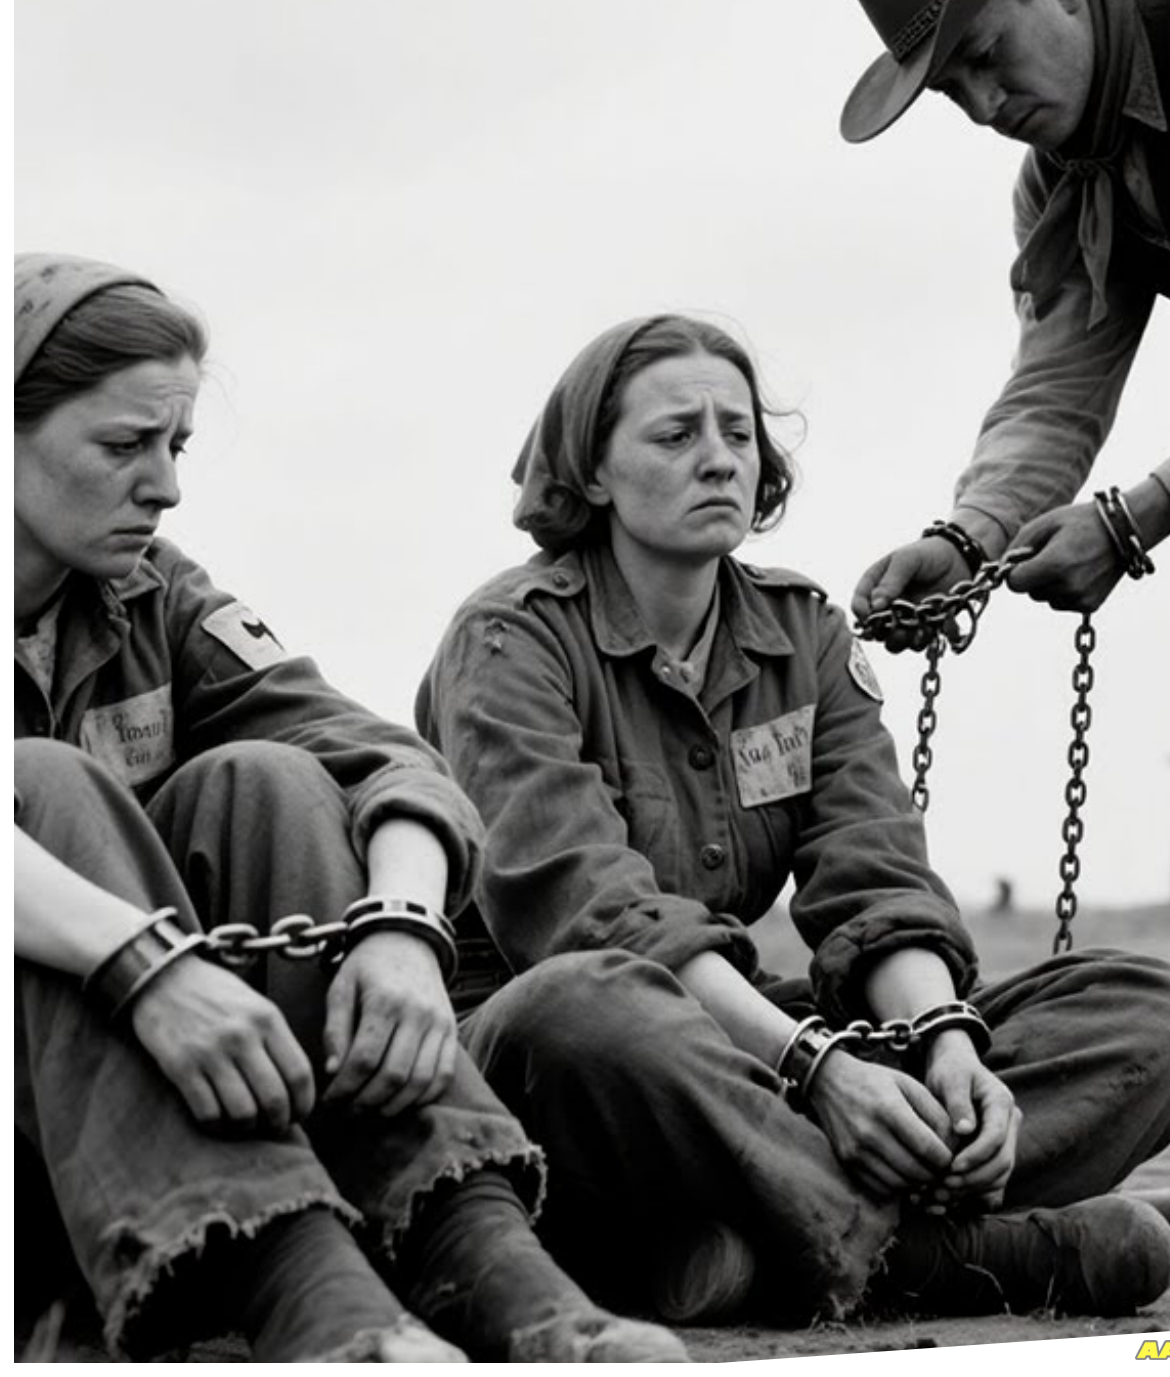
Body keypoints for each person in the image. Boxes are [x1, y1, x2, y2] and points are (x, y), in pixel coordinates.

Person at [417, 312, 1170, 1330]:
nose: (720, 459)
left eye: (738, 433)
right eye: (676, 435)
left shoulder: (803, 634)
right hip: (570, 1059)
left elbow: (874, 876)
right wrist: (817, 1073)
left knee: (1150, 1008)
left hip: (750, 1054)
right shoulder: (508, 640)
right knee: (586, 1007)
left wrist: (946, 1048)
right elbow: (592, 919)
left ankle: (769, 1231)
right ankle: (950, 1252)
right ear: (592, 473)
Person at [13, 253, 688, 1365]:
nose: (167, 485)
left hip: (133, 1117)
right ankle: (308, 1299)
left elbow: (381, 752)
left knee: (267, 782)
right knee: (42, 782)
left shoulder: (152, 594)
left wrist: (403, 932)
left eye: (174, 446)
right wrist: (148, 966)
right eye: (124, 445)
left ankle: (482, 1258)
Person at [838, 0, 1170, 631]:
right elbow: (1058, 386)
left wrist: (1145, 513)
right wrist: (970, 539)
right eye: (950, 91)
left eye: (988, 56)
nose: (985, 107)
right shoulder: (1059, 183)